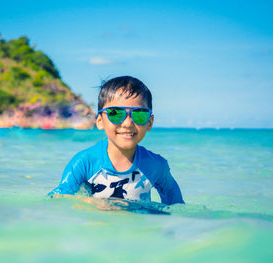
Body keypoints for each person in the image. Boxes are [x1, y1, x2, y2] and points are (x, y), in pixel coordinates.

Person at [49, 76, 184, 205]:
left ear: (150, 122)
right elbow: (57, 200)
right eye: (115, 113)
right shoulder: (85, 162)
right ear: (100, 121)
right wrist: (89, 203)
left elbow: (177, 207)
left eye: (139, 114)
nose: (127, 123)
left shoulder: (156, 165)